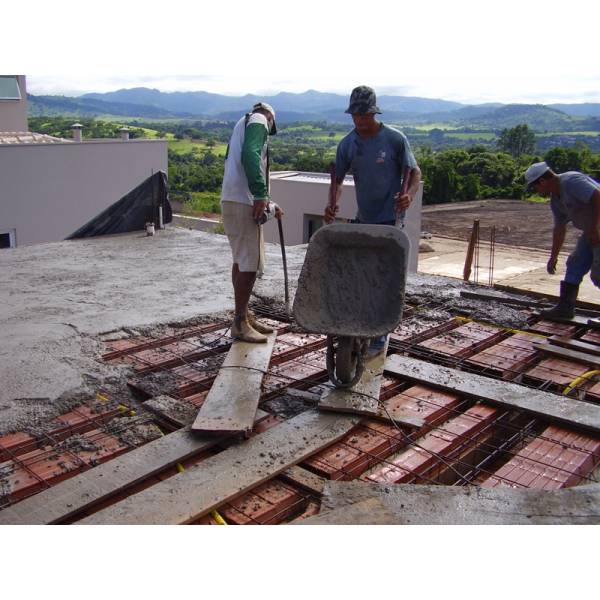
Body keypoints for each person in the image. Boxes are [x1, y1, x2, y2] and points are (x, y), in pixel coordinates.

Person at [324, 85, 421, 353]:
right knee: (363, 275)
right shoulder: (348, 145)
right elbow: (339, 180)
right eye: (356, 115)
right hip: (364, 218)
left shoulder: (394, 139)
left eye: (365, 115)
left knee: (384, 277)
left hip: (390, 220)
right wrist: (332, 204)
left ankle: (379, 333)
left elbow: (414, 172)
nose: (361, 120)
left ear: (374, 113)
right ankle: (362, 322)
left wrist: (409, 196)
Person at [221, 101, 282, 342]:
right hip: (244, 202)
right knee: (249, 264)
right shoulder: (258, 120)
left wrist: (269, 203)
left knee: (240, 260)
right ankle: (240, 323)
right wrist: (260, 194)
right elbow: (251, 155)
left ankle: (243, 315)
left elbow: (242, 163)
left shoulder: (242, 124)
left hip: (231, 201)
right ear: (270, 117)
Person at [524, 161, 600, 318]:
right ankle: (565, 308)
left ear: (543, 181)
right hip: (590, 231)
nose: (536, 191)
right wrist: (553, 257)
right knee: (575, 263)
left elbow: (597, 196)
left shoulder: (571, 181)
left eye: (535, 187)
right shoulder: (556, 200)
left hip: (597, 228)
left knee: (598, 274)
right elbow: (559, 229)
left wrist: (595, 228)